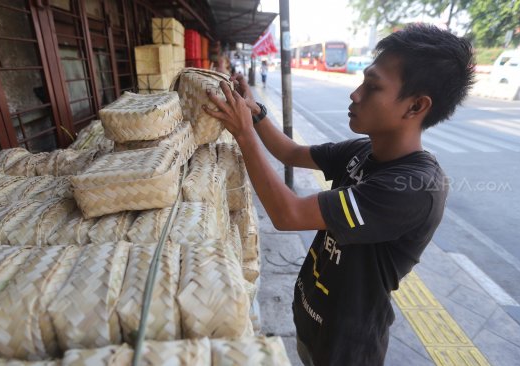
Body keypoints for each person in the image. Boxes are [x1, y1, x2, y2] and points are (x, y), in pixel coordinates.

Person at [203, 24, 474, 366]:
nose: (356, 94)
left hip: (347, 346)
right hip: (312, 317)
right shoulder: (364, 149)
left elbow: (288, 215)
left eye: (373, 87)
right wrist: (255, 113)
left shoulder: (415, 187)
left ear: (415, 106)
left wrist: (243, 134)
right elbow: (290, 152)